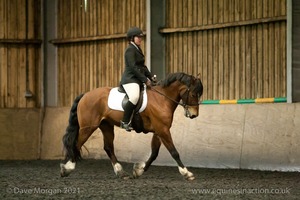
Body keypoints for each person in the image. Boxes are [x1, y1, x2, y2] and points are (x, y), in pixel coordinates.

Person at [119, 27, 155, 131]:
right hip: (130, 79)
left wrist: (151, 76)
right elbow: (133, 68)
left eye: (141, 37)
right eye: (138, 37)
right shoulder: (130, 50)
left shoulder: (137, 49)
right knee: (134, 97)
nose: (140, 39)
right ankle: (125, 121)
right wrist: (145, 80)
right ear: (131, 38)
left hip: (136, 79)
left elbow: (142, 66)